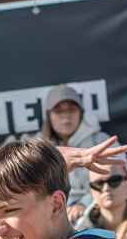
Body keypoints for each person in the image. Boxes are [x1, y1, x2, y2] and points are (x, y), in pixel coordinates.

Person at [40, 83, 103, 212]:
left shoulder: (101, 142)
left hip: (97, 210)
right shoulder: (38, 150)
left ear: (81, 113)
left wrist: (85, 204)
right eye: (58, 110)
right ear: (49, 115)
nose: (66, 115)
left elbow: (116, 186)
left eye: (72, 109)